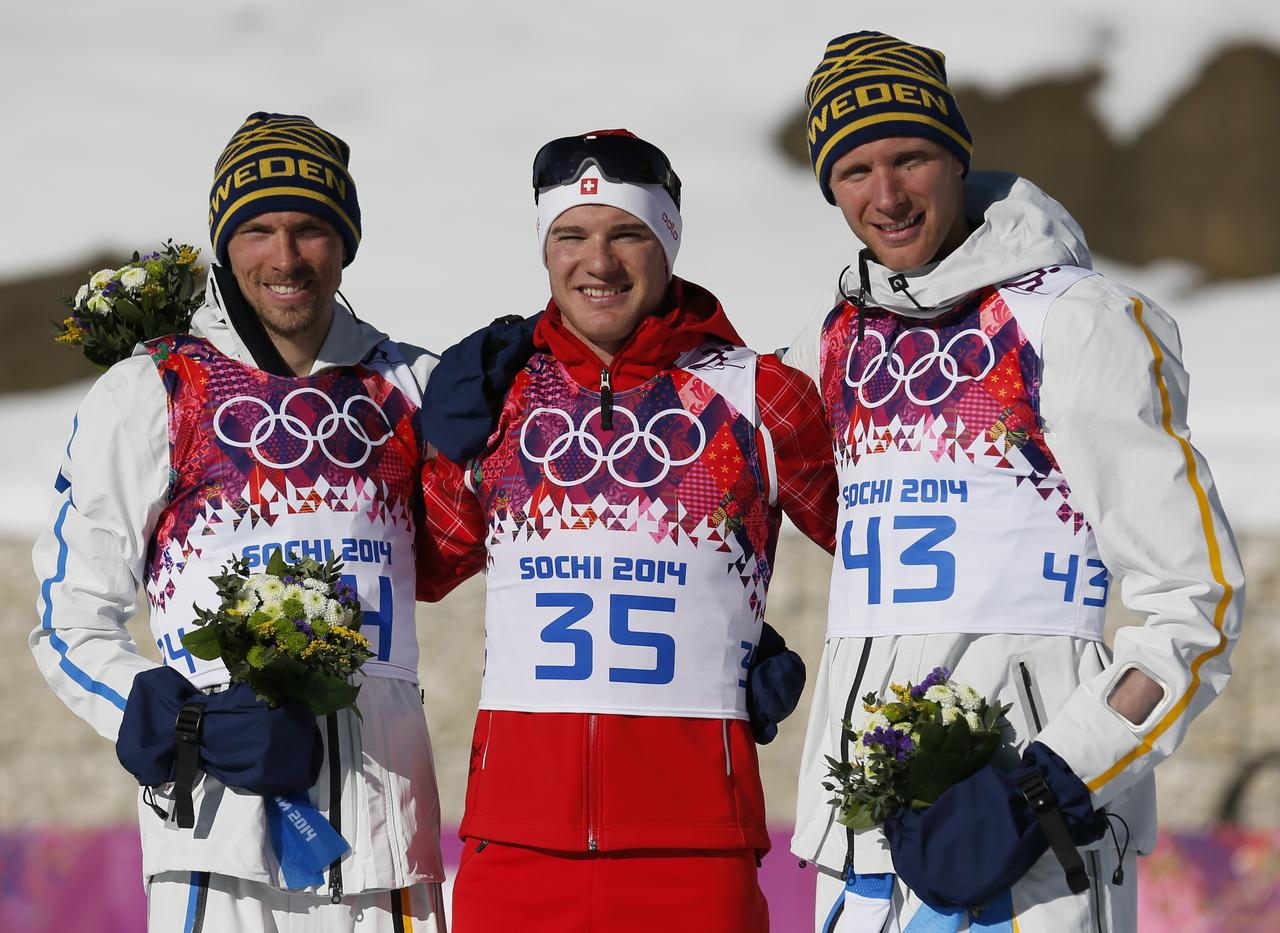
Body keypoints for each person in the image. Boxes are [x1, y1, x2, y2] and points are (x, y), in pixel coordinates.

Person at [784, 32, 1246, 931]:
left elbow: (1198, 602)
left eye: (911, 156)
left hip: (1032, 854)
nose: (887, 196)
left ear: (957, 155)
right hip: (857, 853)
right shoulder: (832, 341)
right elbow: (705, 471)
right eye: (854, 169)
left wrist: (1051, 781)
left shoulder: (1073, 322)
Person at [30, 112, 447, 932]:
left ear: (346, 241)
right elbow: (68, 619)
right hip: (213, 852)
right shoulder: (152, 389)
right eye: (257, 229)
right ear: (225, 243)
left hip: (387, 849)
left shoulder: (412, 385)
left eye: (310, 229)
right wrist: (178, 718)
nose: (284, 258)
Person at [418, 129, 837, 932]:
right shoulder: (498, 395)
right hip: (514, 847)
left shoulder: (760, 395)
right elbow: (421, 570)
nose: (597, 263)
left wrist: (747, 636)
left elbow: (873, 549)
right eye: (569, 236)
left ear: (669, 242)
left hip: (695, 850)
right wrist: (434, 444)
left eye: (628, 233)